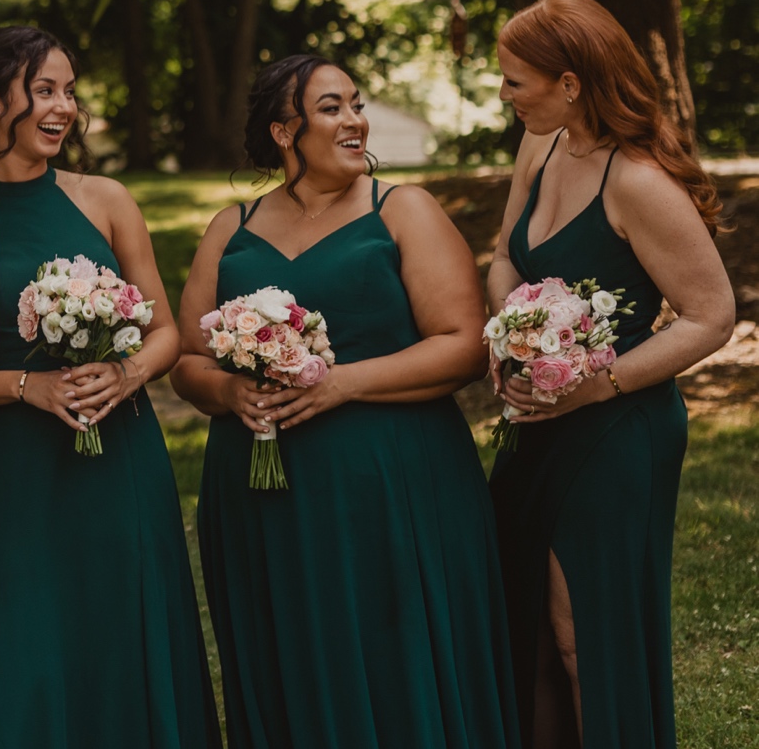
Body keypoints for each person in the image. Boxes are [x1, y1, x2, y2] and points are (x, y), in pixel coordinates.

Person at [172, 53, 517, 749]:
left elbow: (462, 345)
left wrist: (341, 383)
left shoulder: (403, 208)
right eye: (332, 107)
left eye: (355, 103)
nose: (356, 119)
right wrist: (231, 389)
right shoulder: (228, 228)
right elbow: (185, 362)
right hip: (264, 496)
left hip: (393, 487)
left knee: (398, 656)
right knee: (291, 649)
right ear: (282, 130)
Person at [0, 25, 218, 749]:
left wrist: (126, 371)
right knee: (28, 633)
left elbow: (165, 333)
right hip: (19, 468)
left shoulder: (106, 199)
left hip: (119, 456)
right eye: (45, 90)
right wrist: (26, 386)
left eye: (69, 91)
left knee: (124, 622)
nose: (64, 107)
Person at [486, 0, 735, 749]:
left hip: (617, 431)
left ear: (569, 82)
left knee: (579, 635)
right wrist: (510, 342)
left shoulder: (637, 182)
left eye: (513, 81)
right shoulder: (542, 144)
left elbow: (712, 315)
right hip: (535, 422)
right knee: (525, 624)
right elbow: (503, 255)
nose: (502, 95)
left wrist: (597, 382)